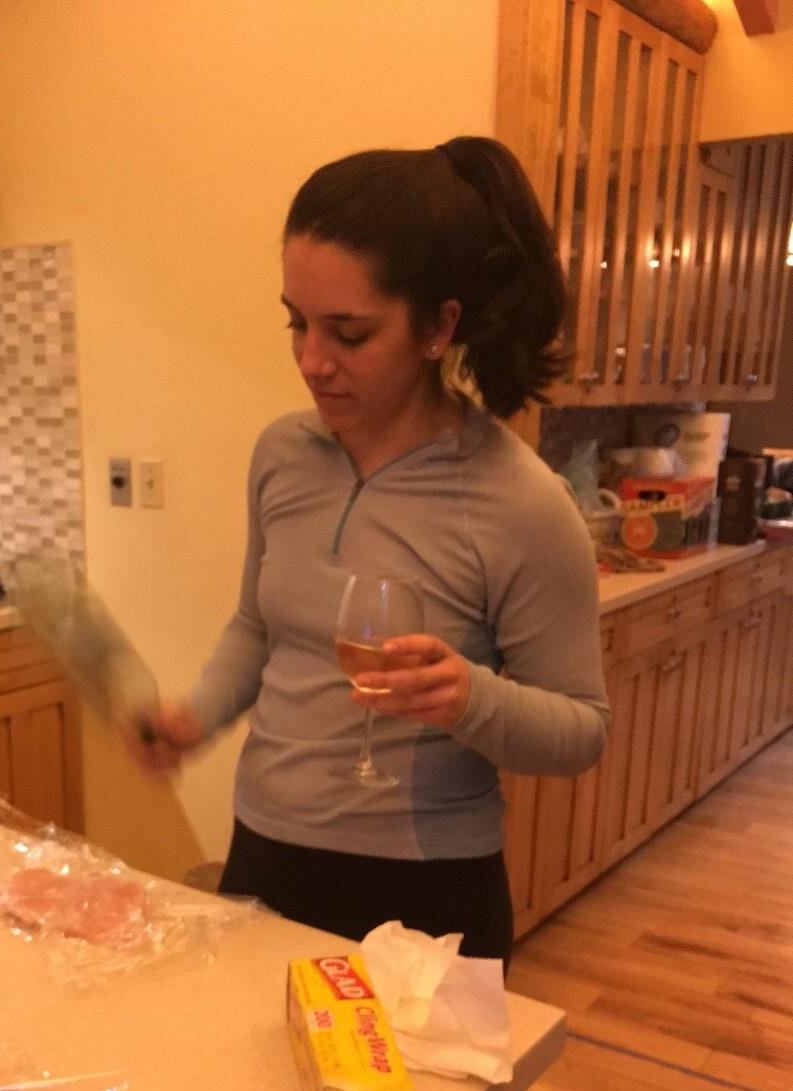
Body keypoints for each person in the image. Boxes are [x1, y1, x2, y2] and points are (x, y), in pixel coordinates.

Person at [136, 138, 610, 968]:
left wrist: (467, 696)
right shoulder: (281, 454)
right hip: (264, 856)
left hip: (424, 893)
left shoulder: (520, 502)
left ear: (438, 327)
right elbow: (258, 625)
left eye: (348, 333)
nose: (311, 361)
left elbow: (580, 729)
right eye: (296, 322)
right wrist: (196, 716)